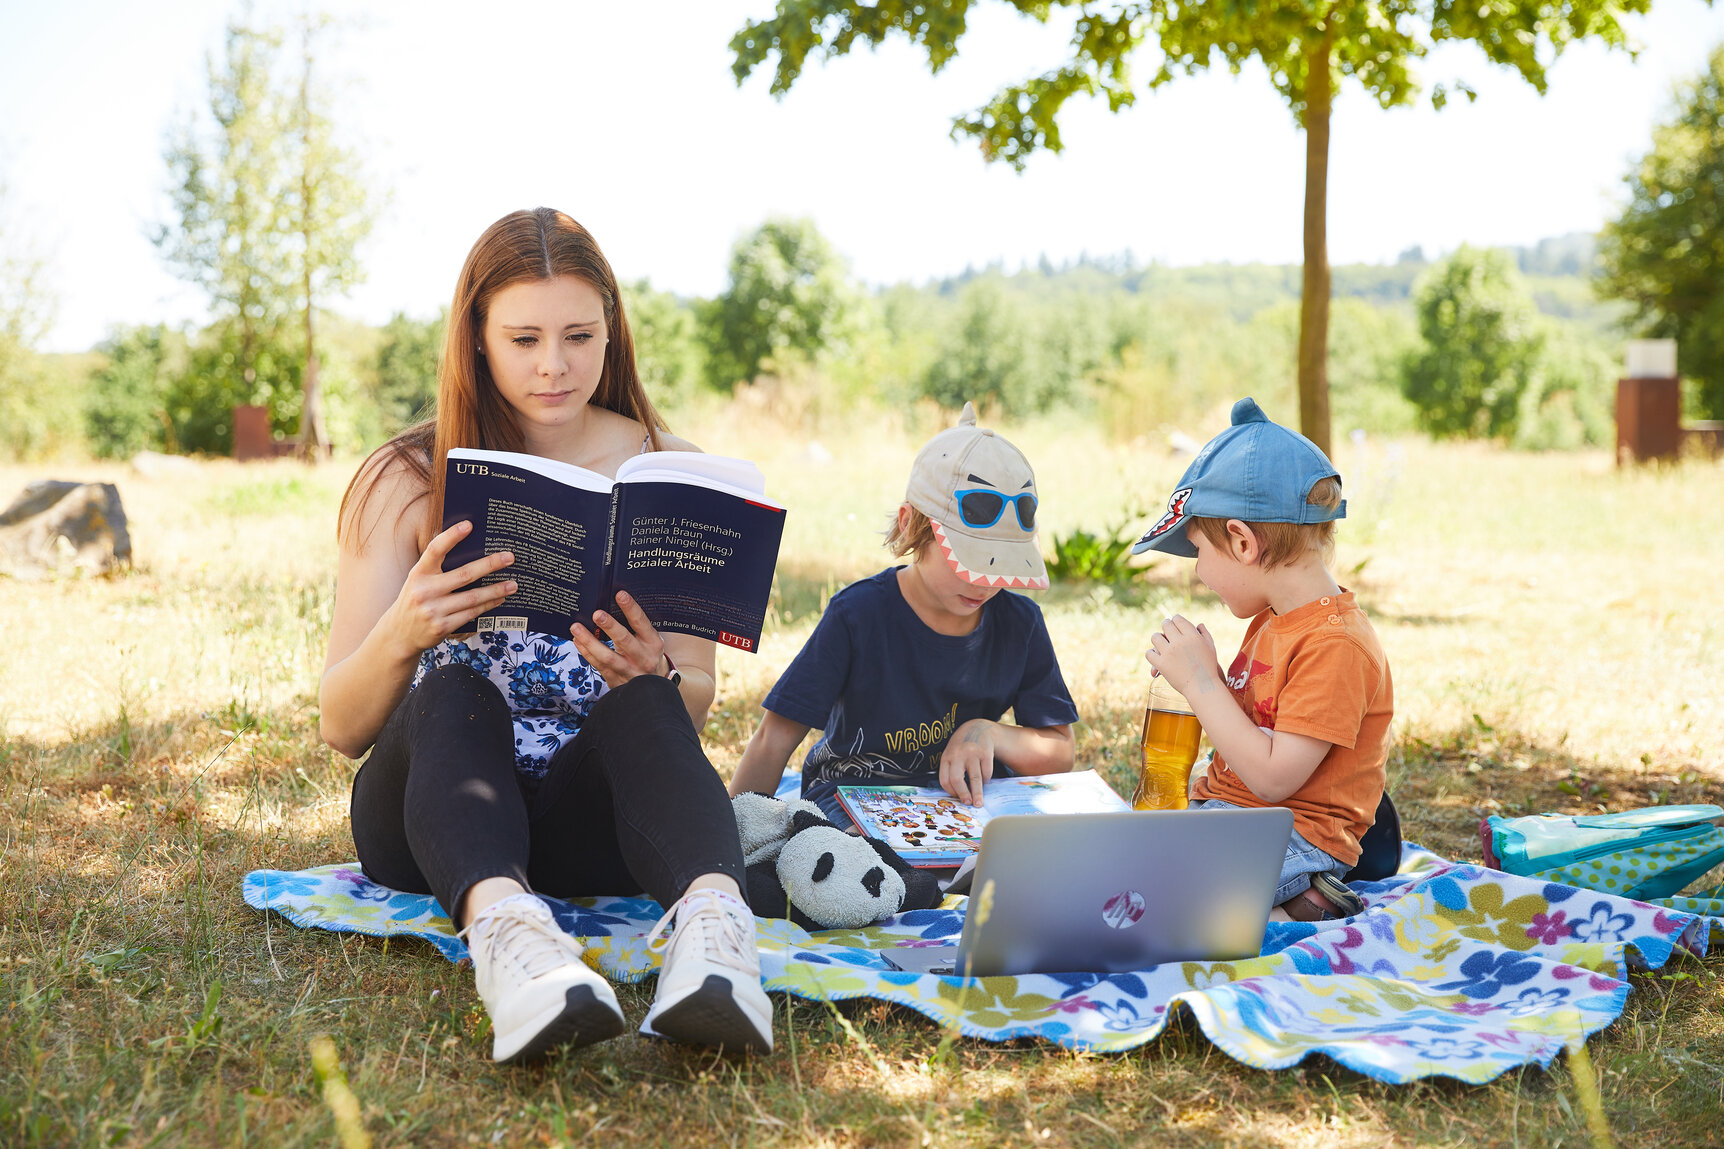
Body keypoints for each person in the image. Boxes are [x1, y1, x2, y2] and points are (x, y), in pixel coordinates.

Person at [320, 207, 771, 1063]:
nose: (554, 365)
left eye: (579, 335)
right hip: (431, 812)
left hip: (582, 819)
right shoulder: (405, 478)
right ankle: (513, 949)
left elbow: (697, 702)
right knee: (455, 686)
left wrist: (657, 679)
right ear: (477, 339)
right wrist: (406, 631)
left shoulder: (669, 465)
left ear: (612, 330)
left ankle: (716, 946)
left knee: (649, 700)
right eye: (523, 338)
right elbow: (340, 725)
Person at [728, 403, 1078, 818]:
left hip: (966, 808)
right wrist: (730, 842)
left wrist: (986, 732)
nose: (984, 582)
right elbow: (774, 739)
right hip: (852, 803)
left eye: (998, 563)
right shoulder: (857, 615)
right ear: (912, 524)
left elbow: (1059, 750)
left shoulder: (1020, 623)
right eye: (968, 559)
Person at [1135, 397, 1394, 922]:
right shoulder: (1273, 619)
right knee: (1120, 860)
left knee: (1164, 904)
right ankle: (1284, 903)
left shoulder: (1336, 643)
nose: (1200, 575)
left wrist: (1204, 684)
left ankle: (1301, 902)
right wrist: (1203, 683)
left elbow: (1275, 781)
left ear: (1242, 542)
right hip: (1233, 819)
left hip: (1293, 835)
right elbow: (1255, 731)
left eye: (1199, 554)